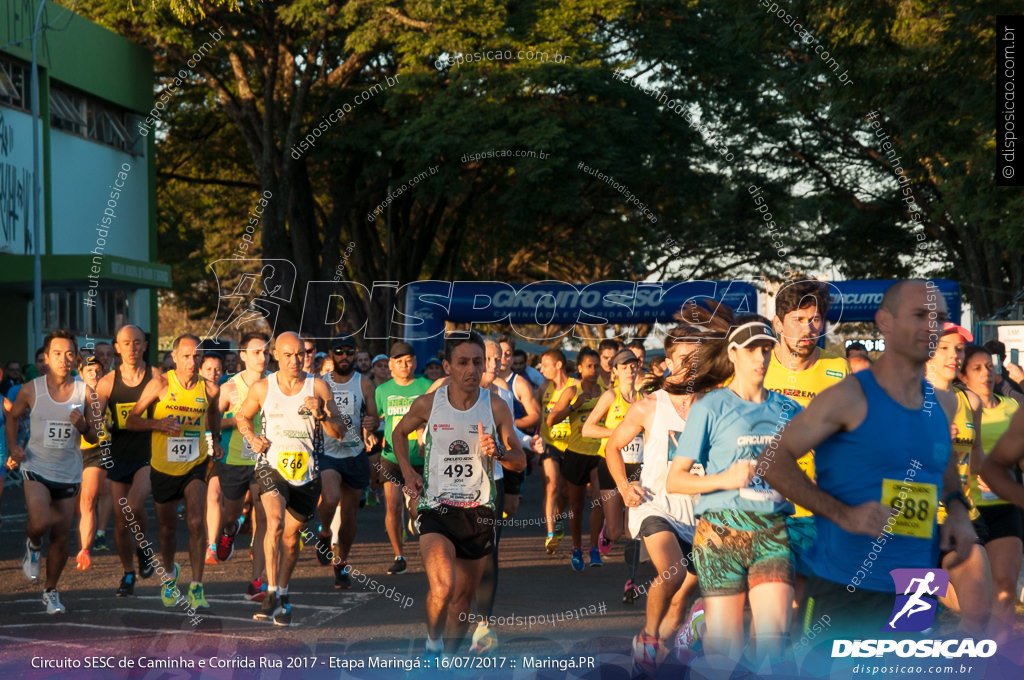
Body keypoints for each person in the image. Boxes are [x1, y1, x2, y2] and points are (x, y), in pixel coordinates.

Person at [758, 280, 976, 643]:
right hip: (846, 582)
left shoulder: (941, 404)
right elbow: (773, 460)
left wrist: (955, 507)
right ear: (884, 322)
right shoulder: (848, 397)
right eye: (919, 315)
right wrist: (843, 514)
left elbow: (940, 460)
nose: (931, 326)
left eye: (939, 317)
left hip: (915, 583)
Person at [667, 316, 800, 669]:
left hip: (772, 530)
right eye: (753, 349)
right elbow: (675, 480)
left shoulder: (787, 409)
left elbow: (830, 448)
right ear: (734, 353)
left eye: (768, 349)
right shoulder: (711, 407)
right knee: (724, 656)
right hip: (719, 533)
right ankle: (701, 626)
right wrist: (725, 479)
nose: (762, 357)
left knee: (773, 646)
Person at [605, 305, 731, 676]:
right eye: (681, 359)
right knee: (672, 572)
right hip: (654, 504)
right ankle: (646, 635)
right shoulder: (649, 406)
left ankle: (659, 650)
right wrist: (624, 486)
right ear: (667, 363)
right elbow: (613, 447)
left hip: (700, 514)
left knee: (681, 603)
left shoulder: (714, 405)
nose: (688, 365)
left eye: (696, 359)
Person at [392, 332, 526, 656]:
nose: (471, 369)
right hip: (436, 508)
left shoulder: (495, 406)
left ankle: (448, 660)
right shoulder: (429, 403)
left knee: (463, 602)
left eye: (478, 362)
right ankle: (433, 645)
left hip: (479, 512)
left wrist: (499, 454)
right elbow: (399, 432)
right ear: (446, 366)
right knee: (443, 586)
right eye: (463, 362)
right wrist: (408, 472)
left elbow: (519, 461)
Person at [236, 332, 351, 625]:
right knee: (273, 524)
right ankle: (272, 591)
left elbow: (339, 431)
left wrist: (323, 416)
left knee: (290, 539)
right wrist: (252, 438)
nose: (295, 360)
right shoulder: (263, 388)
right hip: (271, 468)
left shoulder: (319, 387)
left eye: (300, 354)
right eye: (288, 355)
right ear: (276, 355)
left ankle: (283, 592)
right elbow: (242, 417)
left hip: (306, 474)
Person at [762, 280, 849, 614]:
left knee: (803, 603)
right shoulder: (756, 365)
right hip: (762, 507)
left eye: (815, 320)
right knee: (773, 602)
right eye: (799, 319)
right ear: (778, 323)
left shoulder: (837, 369)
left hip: (815, 508)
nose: (808, 328)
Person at [126, 334, 224, 611]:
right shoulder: (160, 385)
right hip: (163, 467)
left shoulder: (210, 390)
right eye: (186, 356)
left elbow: (214, 414)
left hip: (195, 464)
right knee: (167, 529)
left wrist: (215, 440)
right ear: (174, 357)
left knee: (195, 521)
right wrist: (158, 424)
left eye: (197, 357)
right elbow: (132, 420)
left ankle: (197, 587)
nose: (192, 362)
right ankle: (169, 574)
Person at [7, 330, 100, 613]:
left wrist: (83, 426)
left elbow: (95, 436)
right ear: (46, 359)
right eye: (57, 353)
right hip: (35, 466)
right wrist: (13, 448)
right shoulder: (31, 390)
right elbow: (12, 418)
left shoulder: (86, 393)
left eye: (69, 353)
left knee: (61, 535)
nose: (64, 359)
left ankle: (51, 591)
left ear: (76, 358)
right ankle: (33, 545)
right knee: (41, 522)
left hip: (69, 472)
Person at [924, 324, 992, 634]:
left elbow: (976, 455)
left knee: (978, 613)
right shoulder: (907, 398)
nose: (954, 355)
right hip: (915, 523)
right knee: (912, 625)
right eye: (944, 348)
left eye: (958, 349)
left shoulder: (970, 402)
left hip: (962, 515)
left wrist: (991, 476)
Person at [93, 324, 162, 596]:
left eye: (137, 342)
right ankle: (128, 572)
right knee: (121, 523)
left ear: (145, 345)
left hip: (149, 453)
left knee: (133, 507)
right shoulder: (108, 382)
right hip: (119, 454)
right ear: (117, 347)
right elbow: (95, 418)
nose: (132, 348)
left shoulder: (157, 377)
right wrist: (94, 425)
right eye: (126, 343)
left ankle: (143, 547)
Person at [959, 344, 1021, 633]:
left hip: (1005, 506)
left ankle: (998, 663)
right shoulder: (957, 408)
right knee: (974, 602)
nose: (986, 373)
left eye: (990, 366)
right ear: (963, 374)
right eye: (977, 368)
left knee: (1006, 589)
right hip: (969, 509)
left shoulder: (1012, 407)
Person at [208, 332, 270, 602]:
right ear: (243, 355)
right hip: (233, 461)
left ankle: (257, 581)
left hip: (265, 461)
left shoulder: (275, 384)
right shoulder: (230, 388)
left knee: (264, 519)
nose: (262, 357)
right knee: (232, 515)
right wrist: (226, 430)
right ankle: (229, 532)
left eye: (266, 352)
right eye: (256, 352)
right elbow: (213, 416)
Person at [316, 336, 379, 589]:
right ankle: (324, 532)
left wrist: (371, 426)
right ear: (331, 354)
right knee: (330, 499)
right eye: (339, 353)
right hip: (329, 452)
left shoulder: (364, 383)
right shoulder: (321, 383)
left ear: (355, 354)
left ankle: (341, 564)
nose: (345, 357)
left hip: (355, 453)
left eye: (349, 352)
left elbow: (372, 417)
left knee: (350, 515)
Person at [583, 349, 643, 575]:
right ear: (615, 371)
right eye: (624, 367)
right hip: (610, 463)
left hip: (637, 465)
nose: (630, 370)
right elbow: (588, 429)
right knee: (617, 531)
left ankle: (631, 577)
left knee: (632, 527)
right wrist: (616, 433)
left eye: (633, 365)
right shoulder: (611, 396)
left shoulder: (644, 399)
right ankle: (606, 532)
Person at [375, 341, 433, 575]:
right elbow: (376, 417)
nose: (404, 365)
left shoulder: (427, 386)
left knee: (416, 508)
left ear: (415, 362)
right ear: (391, 365)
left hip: (419, 457)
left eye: (408, 360)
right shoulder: (382, 391)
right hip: (391, 456)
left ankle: (415, 521)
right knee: (393, 505)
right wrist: (369, 431)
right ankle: (399, 555)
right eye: (398, 361)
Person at [550, 348, 605, 570]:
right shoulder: (572, 391)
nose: (594, 370)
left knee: (599, 499)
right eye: (589, 366)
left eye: (597, 366)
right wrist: (575, 405)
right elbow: (552, 419)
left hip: (598, 454)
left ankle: (594, 549)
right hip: (575, 453)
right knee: (577, 504)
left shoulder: (606, 392)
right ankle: (576, 548)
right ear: (580, 368)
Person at [75, 355, 114, 570]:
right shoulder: (73, 394)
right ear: (80, 373)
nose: (94, 374)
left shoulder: (108, 394)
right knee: (76, 504)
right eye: (90, 371)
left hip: (99, 450)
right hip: (73, 453)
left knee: (89, 500)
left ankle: (86, 547)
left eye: (98, 371)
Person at [495, 338, 541, 518]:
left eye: (508, 354)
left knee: (511, 507)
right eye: (499, 354)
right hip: (488, 447)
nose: (503, 358)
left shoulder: (519, 383)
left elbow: (536, 416)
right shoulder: (479, 380)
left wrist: (510, 425)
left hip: (510, 444)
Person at [537, 349, 575, 554]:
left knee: (565, 493)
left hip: (571, 446)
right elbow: (536, 416)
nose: (541, 369)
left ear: (558, 365)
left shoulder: (576, 387)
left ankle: (558, 517)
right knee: (551, 487)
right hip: (549, 444)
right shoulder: (543, 388)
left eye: (545, 365)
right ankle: (550, 535)